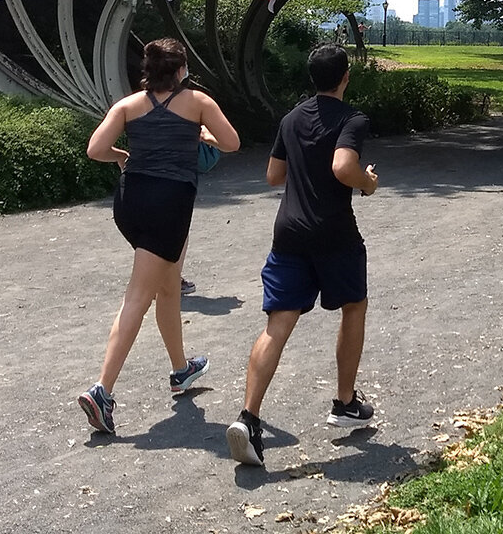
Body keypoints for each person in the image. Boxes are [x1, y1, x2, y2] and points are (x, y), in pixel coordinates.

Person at [76, 38, 241, 436]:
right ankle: (102, 390)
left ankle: (180, 370)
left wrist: (121, 155)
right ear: (181, 69)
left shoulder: (128, 105)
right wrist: (205, 137)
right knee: (138, 296)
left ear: (147, 69)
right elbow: (233, 143)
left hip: (130, 204)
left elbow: (95, 149)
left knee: (168, 287)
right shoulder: (198, 103)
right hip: (169, 206)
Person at [227, 44, 379, 466]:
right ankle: (345, 402)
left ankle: (249, 418)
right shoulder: (353, 119)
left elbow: (274, 175)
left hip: (289, 232)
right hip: (334, 233)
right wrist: (366, 183)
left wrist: (306, 161)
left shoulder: (292, 118)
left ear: (311, 77)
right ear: (346, 76)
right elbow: (342, 166)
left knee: (278, 323)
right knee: (354, 306)